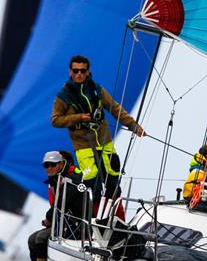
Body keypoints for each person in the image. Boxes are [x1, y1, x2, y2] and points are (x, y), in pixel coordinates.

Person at [51, 55, 146, 202]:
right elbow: (55, 120)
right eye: (76, 71)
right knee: (91, 184)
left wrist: (134, 126)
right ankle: (92, 215)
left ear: (88, 71)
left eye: (83, 71)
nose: (79, 74)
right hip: (83, 146)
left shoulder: (96, 89)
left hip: (104, 141)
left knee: (113, 182)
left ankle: (110, 217)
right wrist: (79, 118)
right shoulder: (63, 96)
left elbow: (114, 108)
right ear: (70, 71)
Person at [23, 150, 88, 261]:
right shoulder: (56, 180)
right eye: (46, 165)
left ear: (62, 164)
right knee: (32, 239)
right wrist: (50, 220)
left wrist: (49, 219)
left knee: (40, 239)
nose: (48, 168)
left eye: (52, 165)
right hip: (61, 223)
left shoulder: (72, 179)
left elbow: (60, 205)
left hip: (75, 226)